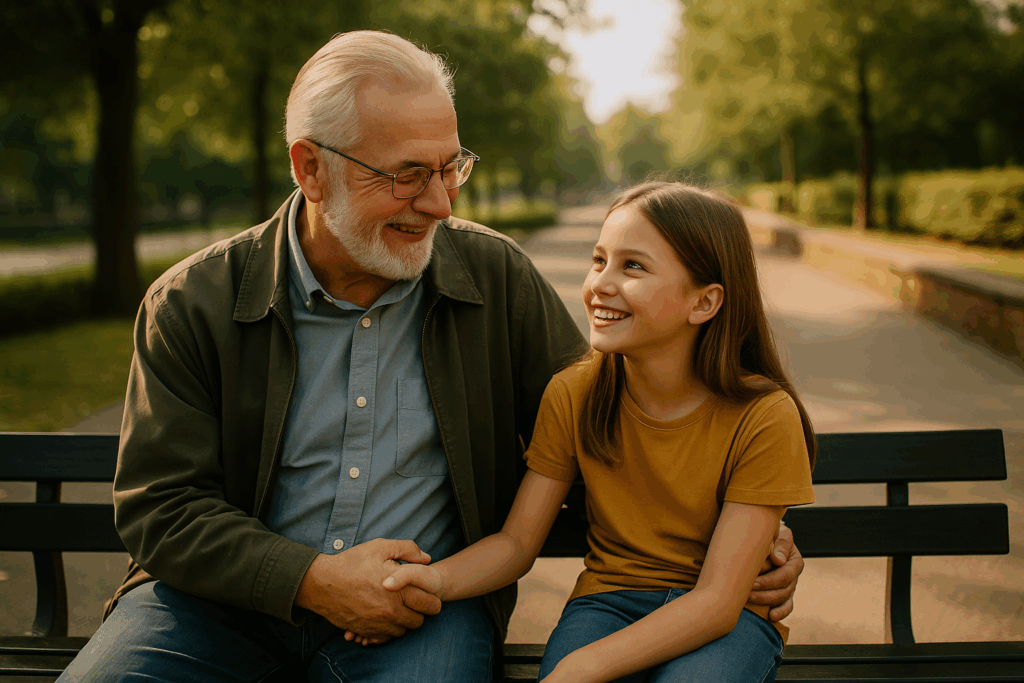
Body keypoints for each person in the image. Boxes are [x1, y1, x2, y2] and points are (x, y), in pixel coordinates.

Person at [59, 32, 805, 683]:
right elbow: (162, 507)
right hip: (214, 605)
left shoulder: (494, 278)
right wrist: (312, 580)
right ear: (310, 169)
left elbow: (617, 423)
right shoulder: (193, 301)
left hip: (426, 608)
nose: (443, 203)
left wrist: (750, 538)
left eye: (451, 167)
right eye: (408, 174)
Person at [367, 181, 817, 683]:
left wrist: (586, 664)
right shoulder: (575, 394)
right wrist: (436, 578)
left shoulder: (763, 416)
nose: (601, 283)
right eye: (599, 260)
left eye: (633, 267)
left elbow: (716, 603)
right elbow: (517, 543)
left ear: (704, 302)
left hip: (724, 622)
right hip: (607, 604)